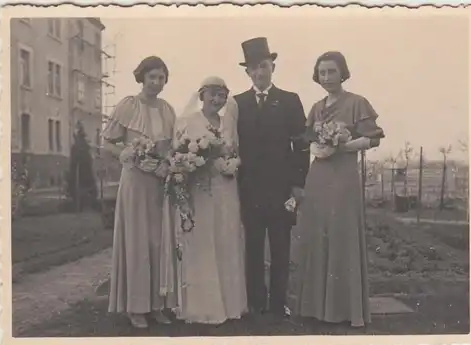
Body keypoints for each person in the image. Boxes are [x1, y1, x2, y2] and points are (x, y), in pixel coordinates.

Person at [293, 51, 385, 327]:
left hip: (343, 175)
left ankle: (343, 309)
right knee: (316, 235)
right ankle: (315, 308)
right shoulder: (316, 107)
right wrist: (316, 147)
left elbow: (374, 139)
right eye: (322, 73)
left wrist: (343, 146)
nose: (327, 78)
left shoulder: (357, 103)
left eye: (332, 71)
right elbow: (305, 139)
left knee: (341, 234)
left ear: (342, 73)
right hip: (318, 175)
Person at [234, 37, 311, 322]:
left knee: (281, 247)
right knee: (252, 247)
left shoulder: (290, 101)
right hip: (249, 189)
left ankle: (279, 303)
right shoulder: (237, 104)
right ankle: (255, 301)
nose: (259, 73)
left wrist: (298, 184)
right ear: (247, 72)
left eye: (264, 66)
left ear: (273, 67)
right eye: (254, 68)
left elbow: (302, 145)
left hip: (281, 190)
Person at [101, 56, 178, 329]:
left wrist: (166, 167)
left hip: (158, 184)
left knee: (158, 242)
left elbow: (172, 150)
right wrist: (131, 155)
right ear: (142, 78)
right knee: (137, 242)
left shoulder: (168, 110)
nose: (157, 82)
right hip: (134, 182)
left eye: (161, 78)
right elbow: (107, 144)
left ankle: (157, 305)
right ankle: (135, 307)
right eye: (152, 77)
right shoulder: (128, 106)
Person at [165, 76, 248, 324]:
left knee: (226, 239)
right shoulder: (189, 122)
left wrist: (233, 163)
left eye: (221, 95)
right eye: (212, 94)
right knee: (203, 241)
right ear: (201, 95)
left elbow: (235, 152)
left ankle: (230, 303)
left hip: (226, 189)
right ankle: (203, 306)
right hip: (201, 191)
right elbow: (178, 155)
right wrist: (192, 164)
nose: (216, 99)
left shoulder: (227, 123)